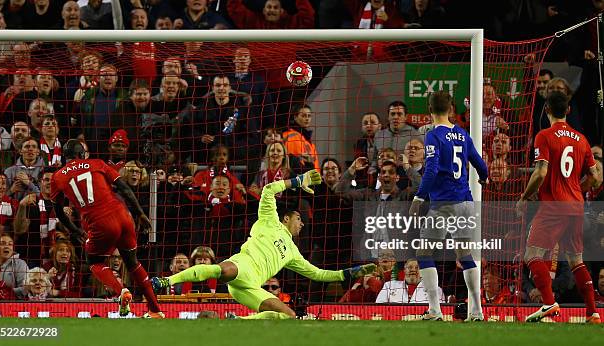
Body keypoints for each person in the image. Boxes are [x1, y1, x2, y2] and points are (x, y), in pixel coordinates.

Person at [152, 170, 376, 319]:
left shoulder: (293, 253)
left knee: (287, 316)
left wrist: (350, 273)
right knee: (221, 268)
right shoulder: (269, 219)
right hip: (242, 267)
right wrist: (297, 181)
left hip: (250, 287)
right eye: (299, 219)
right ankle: (165, 281)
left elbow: (318, 274)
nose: (302, 224)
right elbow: (269, 189)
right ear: (286, 218)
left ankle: (237, 321)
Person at [50, 139, 164, 318]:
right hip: (123, 215)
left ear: (66, 158)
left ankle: (121, 292)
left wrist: (75, 230)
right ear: (82, 155)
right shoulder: (97, 163)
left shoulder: (57, 177)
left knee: (94, 261)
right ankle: (155, 310)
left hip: (99, 222)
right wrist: (140, 213)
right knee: (133, 263)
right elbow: (124, 188)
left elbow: (59, 211)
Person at [515, 91, 601, 324]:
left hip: (553, 207)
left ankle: (548, 303)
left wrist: (524, 196)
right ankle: (593, 313)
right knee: (576, 259)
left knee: (532, 254)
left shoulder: (544, 136)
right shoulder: (581, 139)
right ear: (569, 111)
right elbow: (595, 176)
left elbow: (541, 172)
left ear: (546, 110)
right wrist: (576, 189)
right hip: (576, 207)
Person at [408, 90, 488, 321]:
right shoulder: (462, 134)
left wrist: (419, 197)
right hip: (465, 202)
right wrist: (484, 176)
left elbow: (431, 169)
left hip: (443, 204)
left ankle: (434, 310)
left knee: (424, 253)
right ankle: (477, 311)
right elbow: (480, 164)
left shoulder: (433, 135)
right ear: (451, 109)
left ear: (429, 110)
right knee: (465, 254)